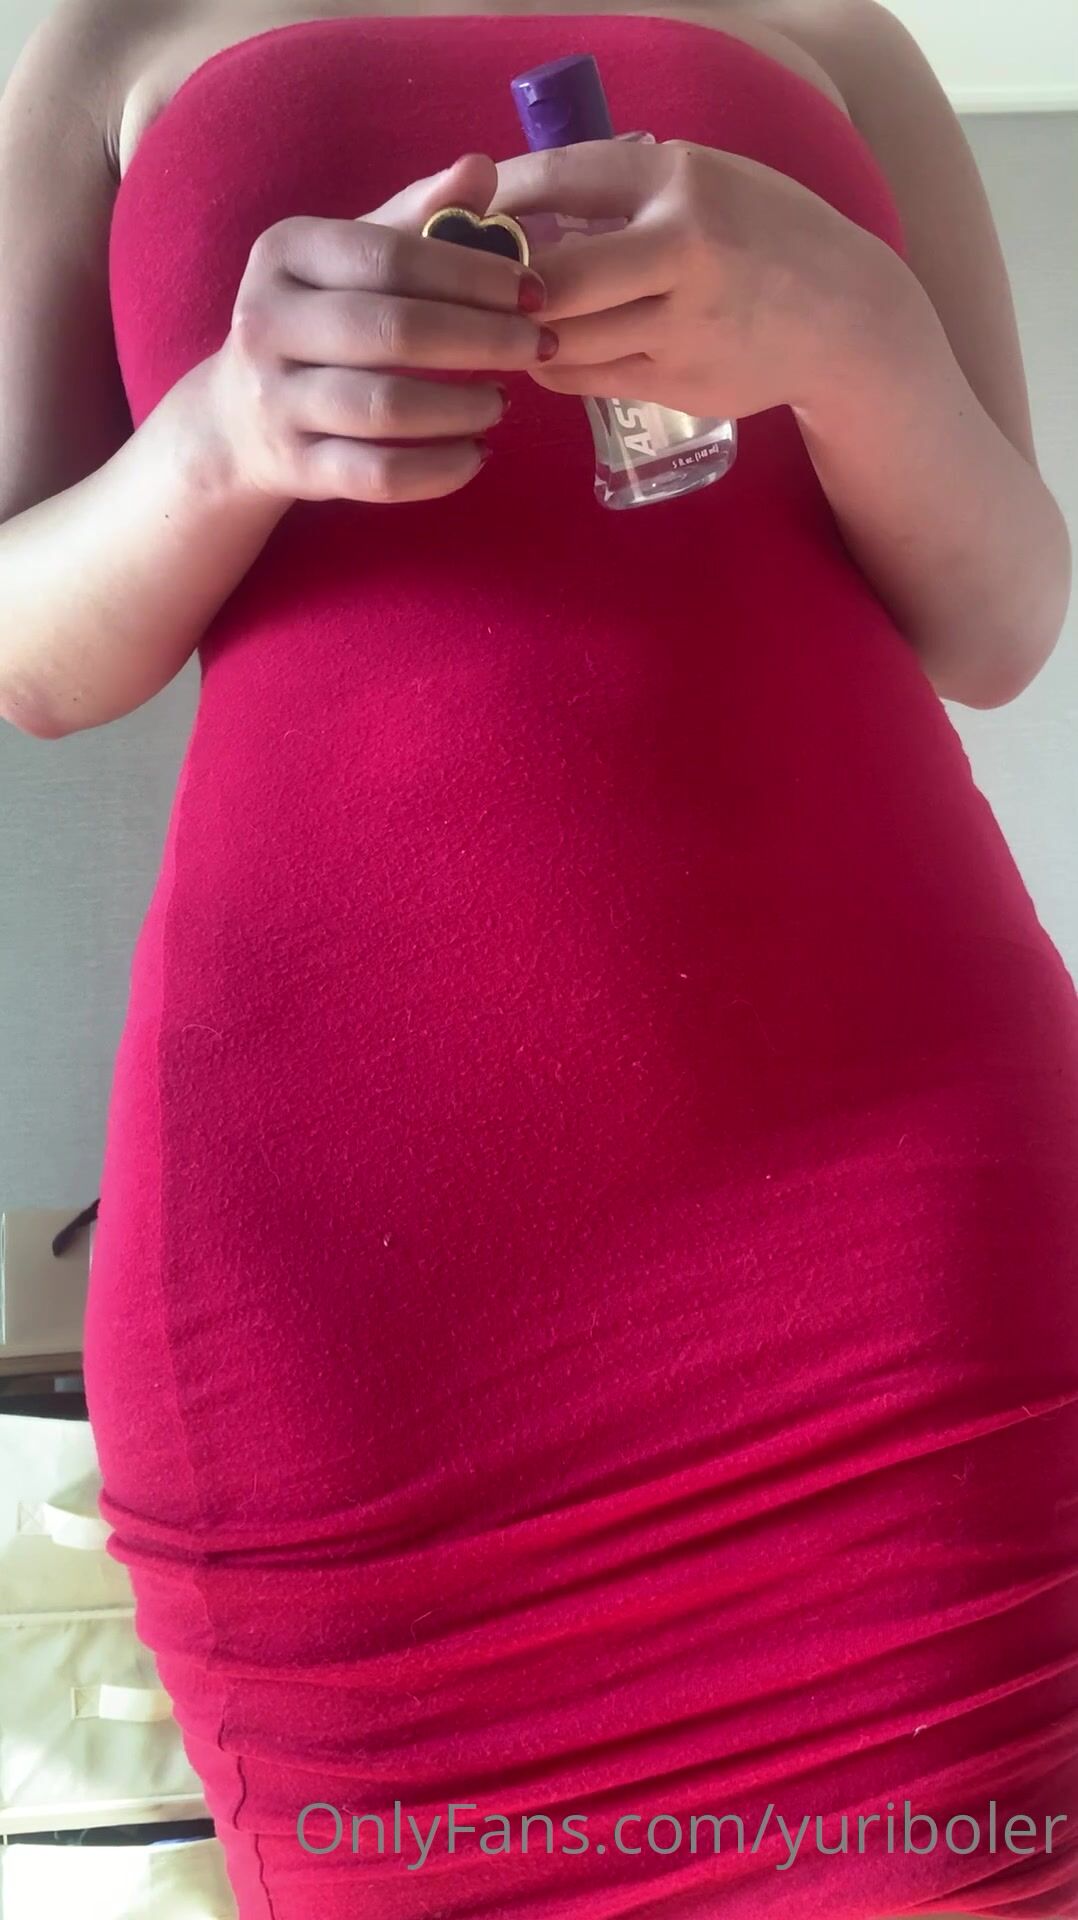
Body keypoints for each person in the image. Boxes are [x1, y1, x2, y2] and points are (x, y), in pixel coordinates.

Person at [2, 1, 1075, 1916]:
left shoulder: (833, 27)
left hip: (895, 1222)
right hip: (342, 1280)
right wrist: (222, 436)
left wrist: (855, 337)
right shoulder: (107, 38)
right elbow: (30, 658)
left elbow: (997, 627)